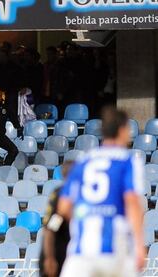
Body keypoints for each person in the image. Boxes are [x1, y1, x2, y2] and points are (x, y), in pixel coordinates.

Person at [57, 107, 145, 277]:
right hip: (114, 249)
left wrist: (86, 214)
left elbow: (63, 208)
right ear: (122, 129)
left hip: (80, 253)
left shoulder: (83, 160)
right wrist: (139, 245)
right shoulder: (128, 161)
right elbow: (132, 203)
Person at [39, 161, 74, 277]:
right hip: (57, 253)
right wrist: (50, 258)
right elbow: (50, 228)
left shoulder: (82, 194)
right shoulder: (61, 195)